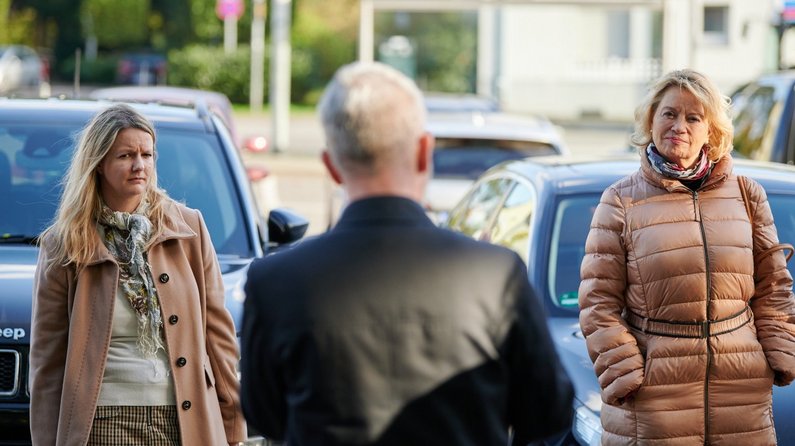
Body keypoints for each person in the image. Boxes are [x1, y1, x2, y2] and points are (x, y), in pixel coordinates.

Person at [240, 61, 574, 446]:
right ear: (423, 151)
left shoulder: (274, 280)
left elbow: (265, 413)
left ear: (331, 166)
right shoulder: (494, 273)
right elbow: (548, 411)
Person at [578, 68, 795, 445]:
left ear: (710, 131)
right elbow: (598, 302)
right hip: (653, 399)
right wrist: (628, 372)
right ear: (651, 120)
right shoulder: (620, 200)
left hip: (741, 392)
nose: (679, 125)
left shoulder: (748, 194)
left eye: (693, 117)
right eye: (669, 114)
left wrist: (777, 354)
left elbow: (774, 286)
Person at [30, 103, 246, 445]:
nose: (139, 165)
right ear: (99, 163)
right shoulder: (65, 243)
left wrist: (233, 424)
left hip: (183, 418)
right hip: (102, 421)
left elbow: (218, 338)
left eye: (147, 154)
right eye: (125, 155)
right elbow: (48, 360)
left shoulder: (187, 228)